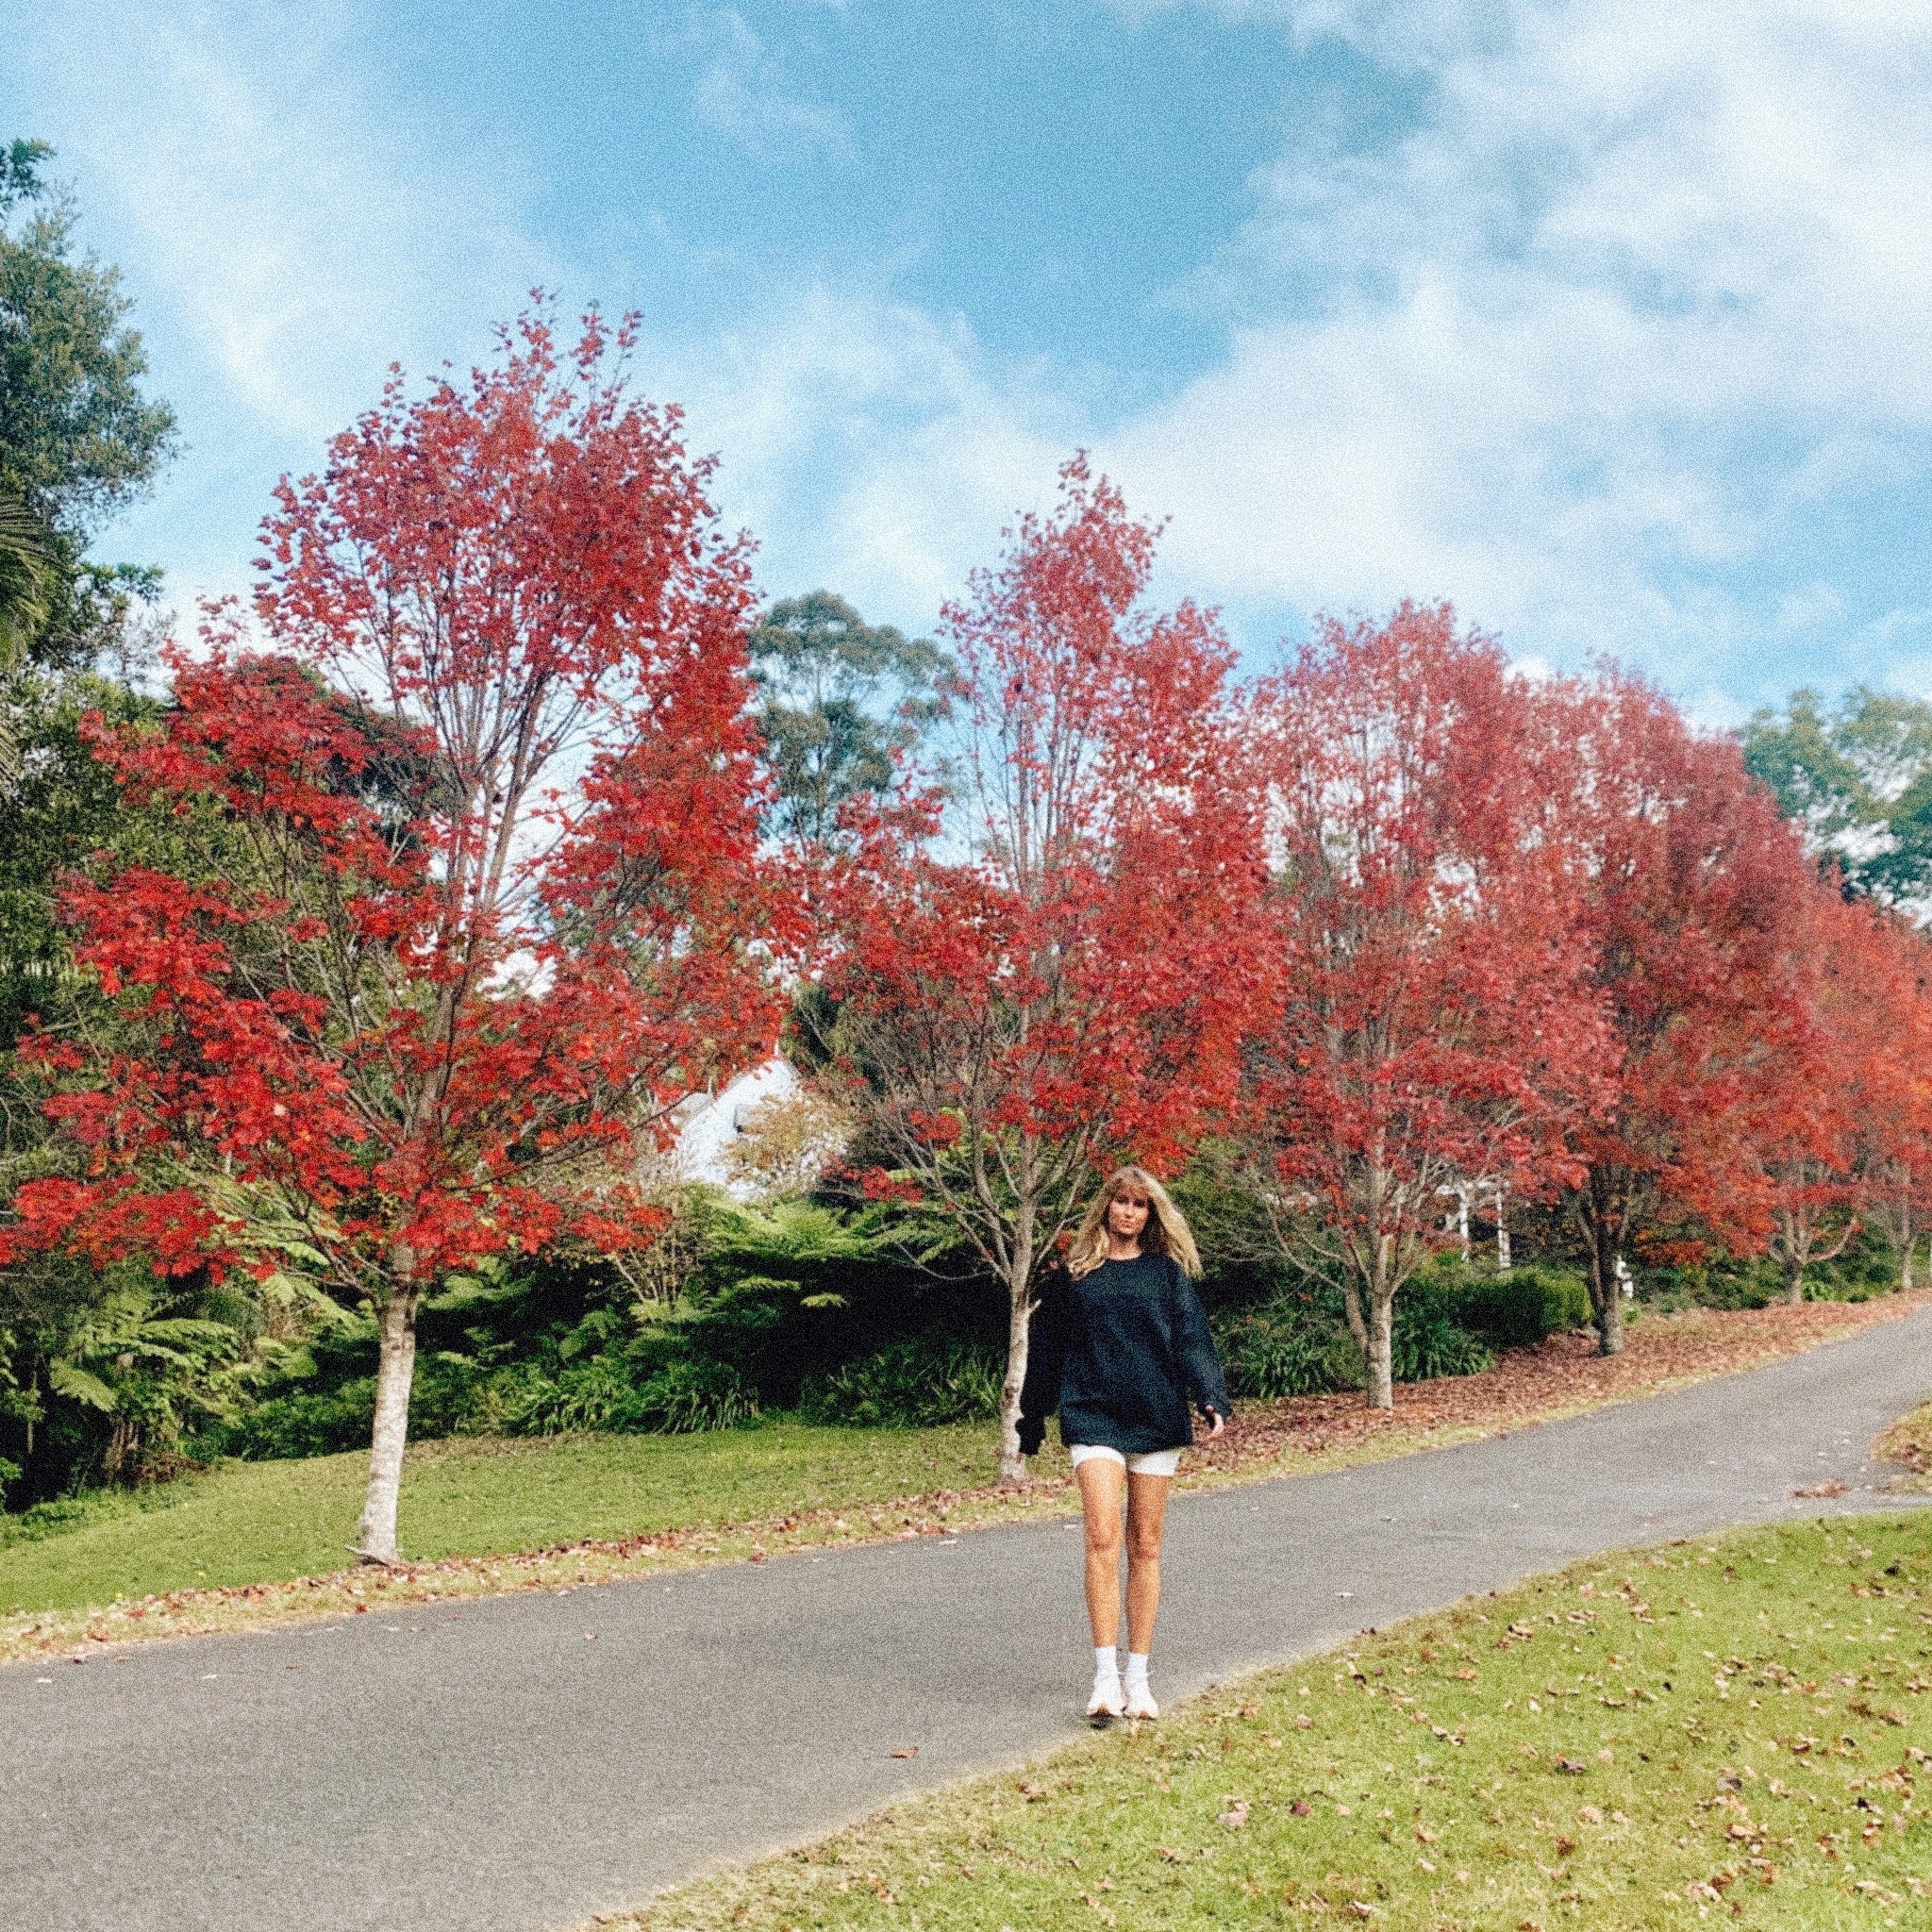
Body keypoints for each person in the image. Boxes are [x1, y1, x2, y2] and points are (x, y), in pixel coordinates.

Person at [1018, 1164, 1230, 1723]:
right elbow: (1046, 1349)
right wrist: (1031, 1417)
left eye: (1140, 1204)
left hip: (1156, 1415)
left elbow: (1192, 1340)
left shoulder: (1166, 1276)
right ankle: (1105, 1678)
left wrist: (1211, 1397)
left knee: (1146, 1546)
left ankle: (1138, 1678)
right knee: (1101, 1537)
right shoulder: (1074, 1276)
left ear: (1151, 1213)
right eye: (1121, 1202)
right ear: (1106, 1207)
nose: (1129, 1212)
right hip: (1093, 1413)